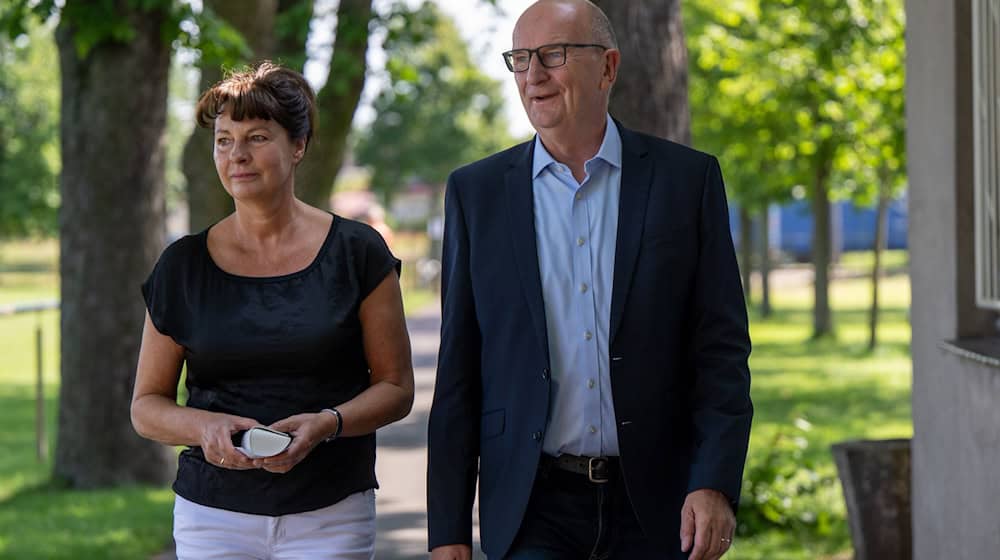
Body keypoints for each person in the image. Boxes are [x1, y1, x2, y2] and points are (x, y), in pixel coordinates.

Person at [426, 1, 752, 559]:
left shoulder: (686, 182)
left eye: (552, 54)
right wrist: (448, 531)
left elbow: (720, 350)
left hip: (659, 500)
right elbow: (459, 368)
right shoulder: (476, 194)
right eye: (521, 58)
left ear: (608, 67)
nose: (533, 75)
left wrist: (714, 480)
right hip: (532, 504)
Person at [130, 61, 414, 560]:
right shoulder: (182, 265)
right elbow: (147, 406)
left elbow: (395, 389)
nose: (236, 154)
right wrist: (205, 427)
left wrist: (328, 422)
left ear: (298, 146)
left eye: (257, 137)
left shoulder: (358, 253)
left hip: (332, 512)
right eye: (223, 139)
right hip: (212, 518)